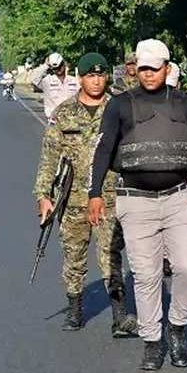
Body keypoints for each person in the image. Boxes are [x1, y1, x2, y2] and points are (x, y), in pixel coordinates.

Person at [88, 39, 187, 371]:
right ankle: (152, 341)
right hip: (135, 201)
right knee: (146, 275)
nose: (147, 74)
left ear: (167, 68)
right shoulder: (120, 106)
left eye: (153, 68)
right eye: (142, 68)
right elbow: (103, 150)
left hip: (179, 197)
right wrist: (94, 193)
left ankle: (177, 327)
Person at [32, 52, 137, 337]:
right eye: (90, 75)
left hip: (109, 196)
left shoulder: (118, 109)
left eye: (100, 75)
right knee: (74, 256)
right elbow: (49, 157)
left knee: (111, 255)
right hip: (72, 200)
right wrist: (43, 195)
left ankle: (119, 315)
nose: (96, 81)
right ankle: (75, 309)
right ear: (81, 78)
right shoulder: (64, 113)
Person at [29, 52, 80, 121]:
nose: (58, 69)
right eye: (55, 68)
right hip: (54, 122)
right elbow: (33, 78)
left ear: (64, 64)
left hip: (72, 121)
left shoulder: (74, 81)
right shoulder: (47, 82)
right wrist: (45, 65)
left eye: (60, 66)